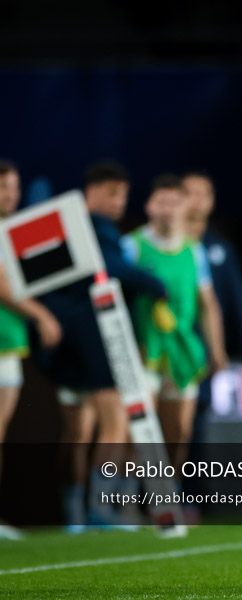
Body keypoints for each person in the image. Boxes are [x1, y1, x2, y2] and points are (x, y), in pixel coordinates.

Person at [33, 161, 171, 530]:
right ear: (89, 192)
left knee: (79, 431)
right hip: (92, 335)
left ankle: (75, 515)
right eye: (112, 192)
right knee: (116, 423)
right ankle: (101, 509)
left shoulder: (60, 230)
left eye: (123, 194)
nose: (118, 201)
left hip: (62, 342)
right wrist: (157, 285)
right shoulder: (94, 228)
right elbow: (113, 268)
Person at [122, 175, 227, 453]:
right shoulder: (130, 247)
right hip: (143, 353)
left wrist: (217, 350)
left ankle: (169, 495)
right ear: (149, 206)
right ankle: (129, 495)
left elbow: (208, 304)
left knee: (178, 432)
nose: (168, 210)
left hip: (181, 352)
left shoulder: (195, 251)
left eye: (174, 203)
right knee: (139, 433)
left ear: (184, 207)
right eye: (161, 203)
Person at [0, 160, 63, 539]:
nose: (11, 194)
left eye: (14, 187)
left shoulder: (12, 231)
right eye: (3, 187)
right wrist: (43, 315)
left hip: (10, 344)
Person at [180, 172, 242, 447]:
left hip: (202, 351)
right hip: (168, 345)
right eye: (191, 193)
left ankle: (192, 490)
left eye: (205, 194)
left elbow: (236, 302)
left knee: (196, 426)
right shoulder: (166, 244)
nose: (198, 201)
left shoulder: (219, 249)